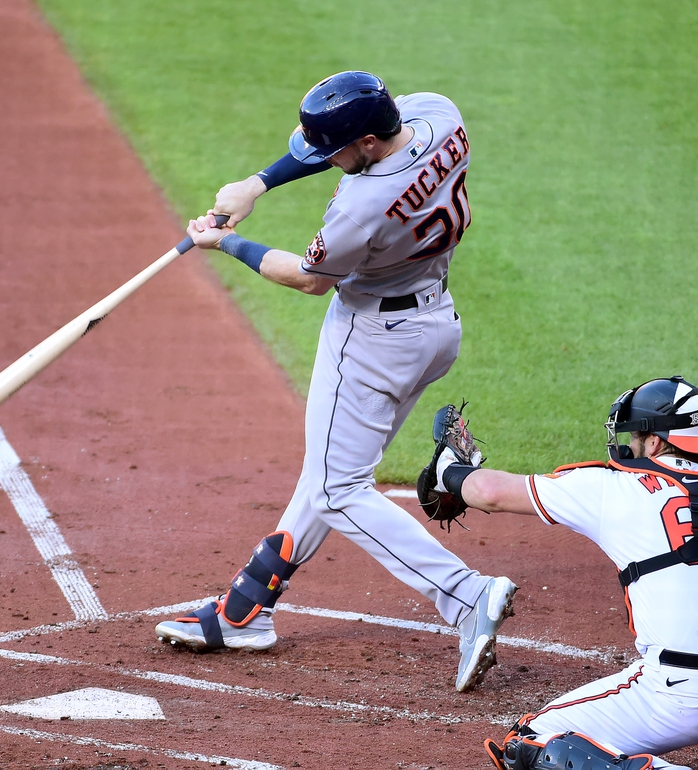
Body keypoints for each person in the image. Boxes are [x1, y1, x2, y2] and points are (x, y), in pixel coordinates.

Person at [153, 70, 517, 693]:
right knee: (329, 473)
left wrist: (226, 241)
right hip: (433, 326)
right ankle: (248, 608)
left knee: (336, 487)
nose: (329, 161)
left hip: (371, 341)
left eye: (338, 152)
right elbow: (333, 143)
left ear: (370, 142)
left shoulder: (359, 207)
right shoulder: (440, 115)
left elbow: (308, 278)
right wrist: (257, 184)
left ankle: (464, 595)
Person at [421, 375, 698, 769]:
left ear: (654, 441)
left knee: (530, 743)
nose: (629, 444)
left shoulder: (610, 488)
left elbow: (491, 493)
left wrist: (449, 469)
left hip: (681, 699)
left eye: (635, 435)